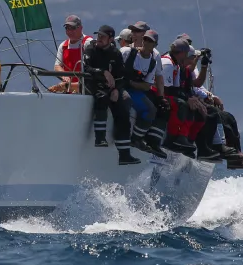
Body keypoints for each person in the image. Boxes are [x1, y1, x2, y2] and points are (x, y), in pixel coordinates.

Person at [83, 25, 140, 165]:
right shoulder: (90, 49)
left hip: (112, 87)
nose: (99, 39)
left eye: (102, 36)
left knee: (124, 104)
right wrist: (102, 72)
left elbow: (122, 76)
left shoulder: (115, 53)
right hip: (94, 85)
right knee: (102, 98)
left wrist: (116, 89)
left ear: (110, 38)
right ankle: (100, 138)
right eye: (98, 36)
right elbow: (86, 67)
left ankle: (124, 154)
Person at [160, 39, 220, 160]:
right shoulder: (168, 63)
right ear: (182, 54)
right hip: (161, 95)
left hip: (173, 94)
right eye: (191, 57)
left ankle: (190, 142)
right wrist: (188, 99)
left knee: (203, 111)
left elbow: (187, 86)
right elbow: (168, 89)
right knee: (183, 105)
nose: (192, 60)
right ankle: (173, 139)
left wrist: (193, 99)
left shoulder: (180, 66)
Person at [119, 29, 169, 158]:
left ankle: (136, 138)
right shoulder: (127, 52)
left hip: (134, 89)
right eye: (145, 39)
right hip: (119, 86)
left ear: (155, 45)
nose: (146, 42)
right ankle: (119, 134)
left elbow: (147, 85)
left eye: (150, 41)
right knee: (125, 101)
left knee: (151, 109)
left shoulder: (153, 62)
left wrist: (132, 83)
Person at [50, 15, 92, 93]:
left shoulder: (88, 43)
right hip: (69, 90)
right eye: (67, 28)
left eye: (73, 28)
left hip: (86, 89)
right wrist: (64, 75)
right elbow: (57, 66)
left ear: (80, 28)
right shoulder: (63, 46)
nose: (69, 31)